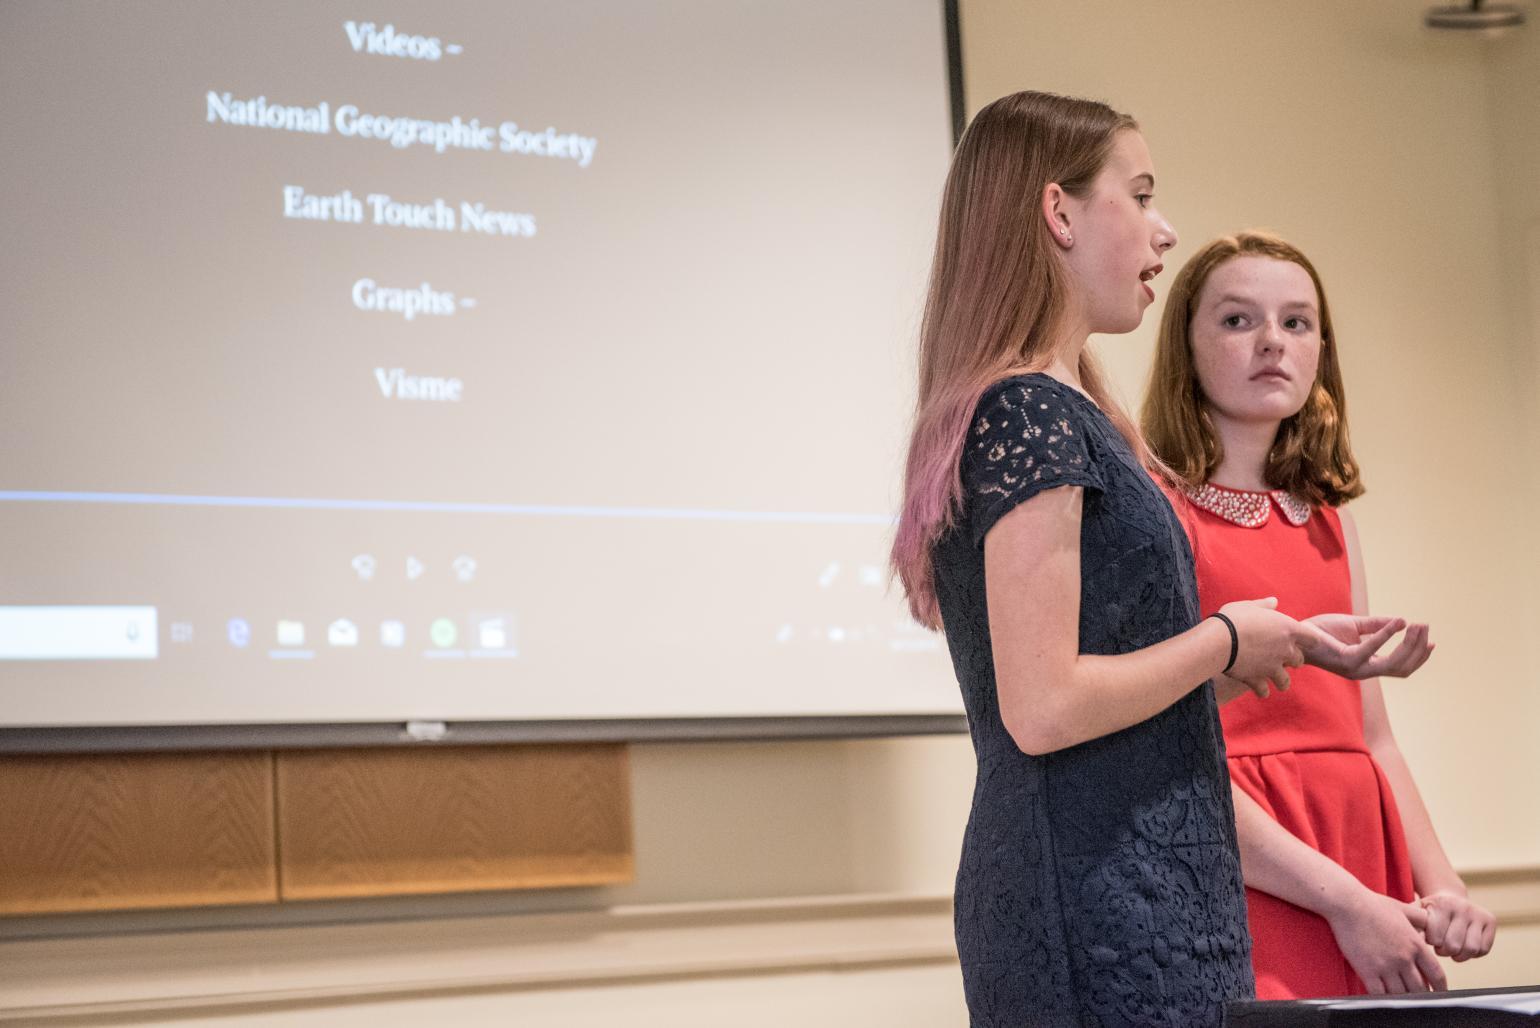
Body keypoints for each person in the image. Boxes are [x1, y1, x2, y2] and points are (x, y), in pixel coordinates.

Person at [890, 91, 1329, 1027]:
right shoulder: (1031, 414)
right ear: (1059, 212)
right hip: (1095, 896)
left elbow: (1105, 693)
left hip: (1137, 878)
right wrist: (1220, 642)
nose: (1165, 230)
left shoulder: (1056, 409)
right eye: (1139, 193)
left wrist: (1268, 648)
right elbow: (1045, 707)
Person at [1140, 231, 1497, 999]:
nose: (1272, 341)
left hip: (1363, 857)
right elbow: (1170, 756)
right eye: (1238, 320)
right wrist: (1345, 902)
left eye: (1297, 323)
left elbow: (1374, 739)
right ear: (1186, 347)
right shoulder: (1159, 516)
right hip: (1251, 863)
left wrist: (1443, 888)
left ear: (1321, 351)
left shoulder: (1332, 525)